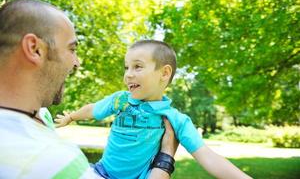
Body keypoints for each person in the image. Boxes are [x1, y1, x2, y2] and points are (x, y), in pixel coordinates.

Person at [0, 0, 178, 179]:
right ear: (35, 49)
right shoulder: (51, 161)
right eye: (71, 49)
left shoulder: (40, 115)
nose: (76, 62)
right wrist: (166, 158)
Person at [56, 40, 252, 179]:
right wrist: (71, 117)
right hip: (101, 172)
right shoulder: (120, 101)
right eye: (126, 68)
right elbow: (93, 110)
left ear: (164, 73)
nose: (128, 75)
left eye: (137, 67)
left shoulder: (174, 119)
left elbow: (208, 157)